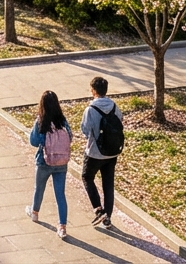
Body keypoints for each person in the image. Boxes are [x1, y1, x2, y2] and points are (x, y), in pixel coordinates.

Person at [26, 90, 73, 239]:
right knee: (60, 194)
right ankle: (62, 226)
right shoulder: (62, 120)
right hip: (61, 162)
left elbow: (33, 141)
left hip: (44, 161)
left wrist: (44, 141)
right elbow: (69, 137)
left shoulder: (41, 120)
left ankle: (34, 213)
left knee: (39, 188)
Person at [80, 76, 123, 229]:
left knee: (87, 177)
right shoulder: (114, 106)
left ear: (93, 91)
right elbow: (119, 121)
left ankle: (98, 209)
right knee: (108, 184)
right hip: (112, 152)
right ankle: (107, 218)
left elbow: (85, 130)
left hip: (94, 152)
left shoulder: (90, 110)